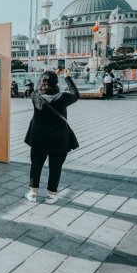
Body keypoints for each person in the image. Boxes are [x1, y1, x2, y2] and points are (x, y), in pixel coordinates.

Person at [23, 69, 79, 204]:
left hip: (38, 139)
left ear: (42, 82)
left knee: (36, 165)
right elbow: (76, 94)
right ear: (56, 83)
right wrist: (68, 77)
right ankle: (50, 196)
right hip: (58, 139)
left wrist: (42, 78)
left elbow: (34, 90)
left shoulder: (36, 96)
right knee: (55, 167)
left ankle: (32, 193)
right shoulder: (64, 98)